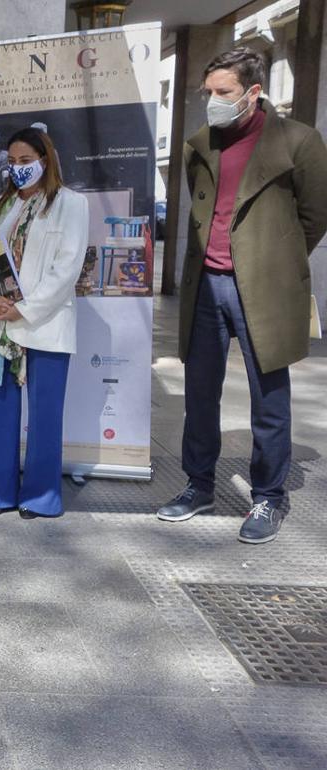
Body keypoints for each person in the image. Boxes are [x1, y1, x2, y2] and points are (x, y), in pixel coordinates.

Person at [155, 48, 327, 544]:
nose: (213, 101)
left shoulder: (298, 142)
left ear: (253, 92)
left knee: (268, 399)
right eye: (208, 92)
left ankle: (269, 496)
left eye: (223, 93)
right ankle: (198, 485)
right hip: (206, 287)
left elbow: (315, 216)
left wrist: (275, 258)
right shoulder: (197, 145)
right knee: (199, 394)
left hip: (265, 291)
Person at [0, 128, 88, 519]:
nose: (18, 169)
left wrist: (27, 308)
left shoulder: (71, 204)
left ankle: (40, 496)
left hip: (44, 324)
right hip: (0, 324)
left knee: (45, 416)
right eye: (13, 162)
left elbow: (66, 268)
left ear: (45, 160)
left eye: (26, 161)